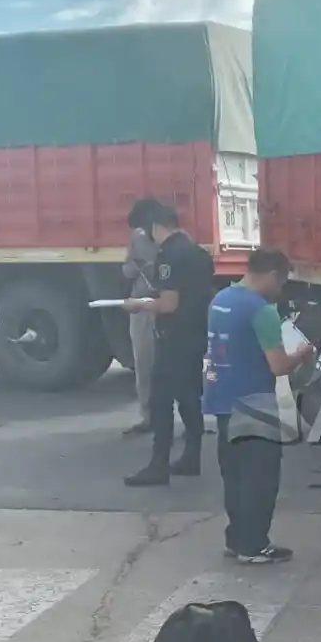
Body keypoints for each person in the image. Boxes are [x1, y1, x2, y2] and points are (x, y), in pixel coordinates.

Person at [203, 247, 315, 564]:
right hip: (254, 403)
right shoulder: (261, 310)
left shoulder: (220, 300)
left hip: (221, 398)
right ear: (272, 275)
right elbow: (278, 365)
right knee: (261, 478)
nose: (280, 290)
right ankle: (254, 546)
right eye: (281, 283)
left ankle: (236, 538)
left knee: (235, 475)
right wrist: (302, 354)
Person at [122, 198, 214, 486]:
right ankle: (191, 456)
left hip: (174, 338)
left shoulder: (169, 255)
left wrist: (140, 304)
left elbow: (170, 303)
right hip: (196, 334)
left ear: (155, 225)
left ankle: (158, 464)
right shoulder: (198, 252)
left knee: (161, 402)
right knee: (189, 398)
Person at [121, 205, 160, 436]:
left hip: (166, 304)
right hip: (142, 305)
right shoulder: (137, 237)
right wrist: (135, 267)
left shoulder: (173, 240)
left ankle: (187, 419)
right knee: (144, 363)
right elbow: (126, 269)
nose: (142, 231)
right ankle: (148, 417)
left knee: (177, 367)